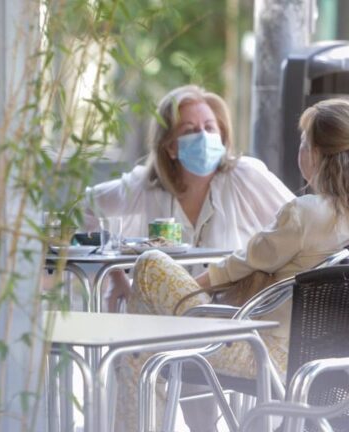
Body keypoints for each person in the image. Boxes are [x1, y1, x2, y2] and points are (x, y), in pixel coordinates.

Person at [117, 98, 349, 431]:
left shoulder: (305, 213)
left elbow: (245, 261)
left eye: (303, 143)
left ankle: (133, 411)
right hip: (319, 358)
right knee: (141, 345)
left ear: (316, 154)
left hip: (258, 351)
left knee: (151, 266)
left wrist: (191, 287)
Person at [86, 84, 294, 311]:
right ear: (170, 147)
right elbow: (86, 207)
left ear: (222, 137)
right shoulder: (144, 187)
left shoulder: (246, 177)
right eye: (189, 130)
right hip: (164, 319)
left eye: (209, 127)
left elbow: (299, 223)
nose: (203, 136)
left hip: (234, 317)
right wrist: (116, 278)